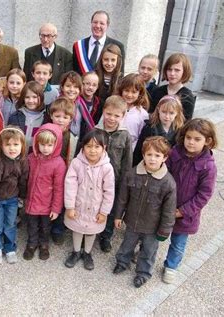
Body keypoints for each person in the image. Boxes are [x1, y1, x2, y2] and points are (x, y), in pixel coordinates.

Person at [113, 136, 176, 288]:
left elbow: (169, 210)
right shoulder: (132, 174)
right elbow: (122, 198)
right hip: (132, 221)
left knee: (149, 251)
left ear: (164, 158)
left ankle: (143, 273)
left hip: (152, 227)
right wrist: (118, 216)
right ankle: (122, 262)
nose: (152, 159)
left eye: (157, 155)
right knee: (127, 244)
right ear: (143, 155)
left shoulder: (168, 183)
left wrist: (164, 230)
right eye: (149, 154)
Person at [162, 119, 218, 284]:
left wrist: (183, 211)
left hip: (186, 215)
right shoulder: (175, 153)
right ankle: (146, 256)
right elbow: (164, 174)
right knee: (153, 234)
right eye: (188, 137)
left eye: (197, 139)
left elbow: (204, 194)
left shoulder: (208, 166)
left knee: (178, 243)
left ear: (207, 141)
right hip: (165, 205)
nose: (191, 142)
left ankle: (171, 266)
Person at [64, 129, 115, 270]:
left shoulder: (107, 167)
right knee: (77, 228)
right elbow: (70, 185)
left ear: (104, 148)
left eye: (97, 147)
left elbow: (109, 192)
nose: (93, 151)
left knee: (91, 230)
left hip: (96, 207)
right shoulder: (76, 163)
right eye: (89, 146)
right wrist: (70, 206)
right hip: (78, 205)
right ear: (83, 147)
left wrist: (104, 212)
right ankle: (75, 252)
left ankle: (87, 253)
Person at [95, 96, 132, 253]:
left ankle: (106, 236)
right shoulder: (95, 131)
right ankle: (91, 230)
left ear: (123, 116)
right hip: (95, 179)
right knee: (94, 204)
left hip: (115, 181)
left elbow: (127, 162)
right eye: (109, 114)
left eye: (117, 115)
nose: (111, 118)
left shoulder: (125, 136)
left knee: (110, 208)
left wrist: (125, 182)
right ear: (103, 111)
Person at [0, 127, 28, 265]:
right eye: (7, 144)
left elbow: (23, 180)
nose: (12, 148)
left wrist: (23, 197)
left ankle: (10, 248)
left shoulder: (22, 161)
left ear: (22, 146)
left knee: (10, 224)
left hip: (12, 199)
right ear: (1, 146)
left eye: (16, 144)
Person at [23, 123, 66, 261]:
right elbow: (24, 178)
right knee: (32, 226)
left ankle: (44, 245)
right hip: (32, 202)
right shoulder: (31, 158)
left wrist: (56, 208)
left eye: (49, 145)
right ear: (36, 143)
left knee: (45, 227)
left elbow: (59, 188)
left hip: (47, 205)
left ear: (56, 144)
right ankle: (31, 244)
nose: (45, 148)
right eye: (42, 144)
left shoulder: (59, 163)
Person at [48, 98, 78, 245]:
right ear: (51, 115)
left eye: (65, 117)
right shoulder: (47, 132)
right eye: (57, 116)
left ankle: (58, 229)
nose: (60, 120)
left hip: (64, 175)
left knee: (60, 202)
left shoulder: (71, 137)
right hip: (47, 175)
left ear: (70, 119)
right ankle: (44, 226)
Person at [133, 95, 185, 166]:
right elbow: (139, 149)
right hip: (150, 163)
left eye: (171, 113)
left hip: (170, 165)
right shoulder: (149, 128)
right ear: (158, 110)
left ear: (177, 113)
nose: (167, 116)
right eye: (164, 112)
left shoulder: (179, 130)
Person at [72, 10, 125, 75]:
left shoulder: (118, 46)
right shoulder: (78, 46)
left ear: (107, 25)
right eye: (95, 22)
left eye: (102, 23)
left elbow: (120, 74)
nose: (97, 26)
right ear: (91, 23)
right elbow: (75, 73)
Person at [149, 53, 196, 121]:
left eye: (177, 70)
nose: (172, 73)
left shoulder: (187, 96)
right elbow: (151, 114)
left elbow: (186, 123)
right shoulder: (158, 91)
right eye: (169, 69)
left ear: (185, 72)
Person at [8, 81, 45, 153]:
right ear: (23, 98)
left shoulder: (46, 118)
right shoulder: (15, 116)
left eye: (34, 97)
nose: (31, 101)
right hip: (18, 156)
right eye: (27, 97)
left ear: (41, 97)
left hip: (36, 157)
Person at [116, 73, 150, 150]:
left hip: (130, 151)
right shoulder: (113, 106)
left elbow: (141, 138)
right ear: (121, 90)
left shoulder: (142, 114)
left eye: (134, 92)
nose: (129, 95)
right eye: (126, 91)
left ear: (140, 93)